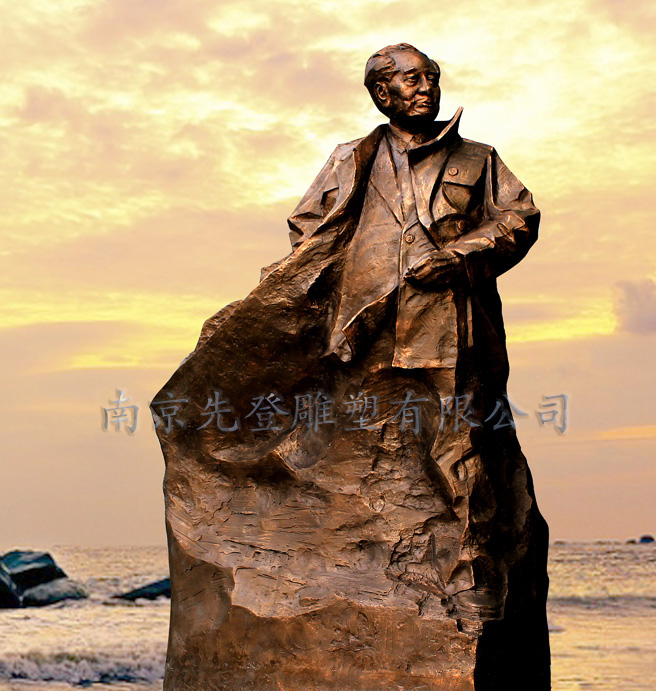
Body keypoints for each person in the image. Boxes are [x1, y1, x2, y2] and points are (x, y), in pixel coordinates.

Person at [154, 44, 550, 689]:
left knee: (460, 445)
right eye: (410, 80)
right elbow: (308, 228)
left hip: (447, 323)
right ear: (381, 94)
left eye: (430, 78)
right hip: (361, 332)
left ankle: (469, 579)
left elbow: (519, 219)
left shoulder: (478, 159)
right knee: (354, 443)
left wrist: (461, 255)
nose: (424, 88)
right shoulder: (352, 158)